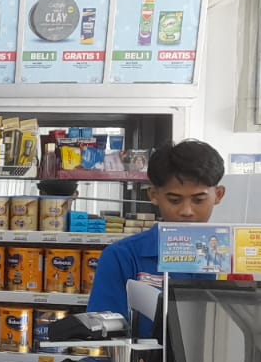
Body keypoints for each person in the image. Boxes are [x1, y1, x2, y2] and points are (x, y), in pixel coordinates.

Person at [88, 139, 226, 327]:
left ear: (218, 195)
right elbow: (104, 332)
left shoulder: (233, 259)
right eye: (174, 200)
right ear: (154, 195)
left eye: (198, 200)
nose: (187, 211)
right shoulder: (122, 257)